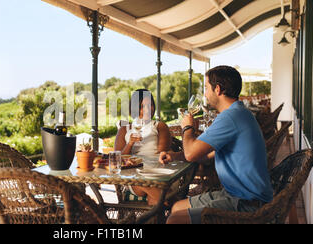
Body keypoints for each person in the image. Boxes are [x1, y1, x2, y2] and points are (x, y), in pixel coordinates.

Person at [159, 65, 273, 224]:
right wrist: (175, 156)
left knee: (175, 220)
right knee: (177, 207)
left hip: (247, 203)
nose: (205, 94)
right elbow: (205, 156)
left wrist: (187, 127)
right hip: (236, 194)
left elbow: (191, 153)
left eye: (206, 88)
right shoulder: (238, 113)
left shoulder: (230, 117)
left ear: (217, 89)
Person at [114, 89, 171, 205]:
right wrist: (130, 144)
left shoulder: (159, 126)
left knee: (153, 200)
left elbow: (162, 154)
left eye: (150, 105)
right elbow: (116, 159)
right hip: (134, 177)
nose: (147, 110)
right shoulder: (124, 129)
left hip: (156, 173)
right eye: (142, 106)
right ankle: (174, 203)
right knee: (139, 180)